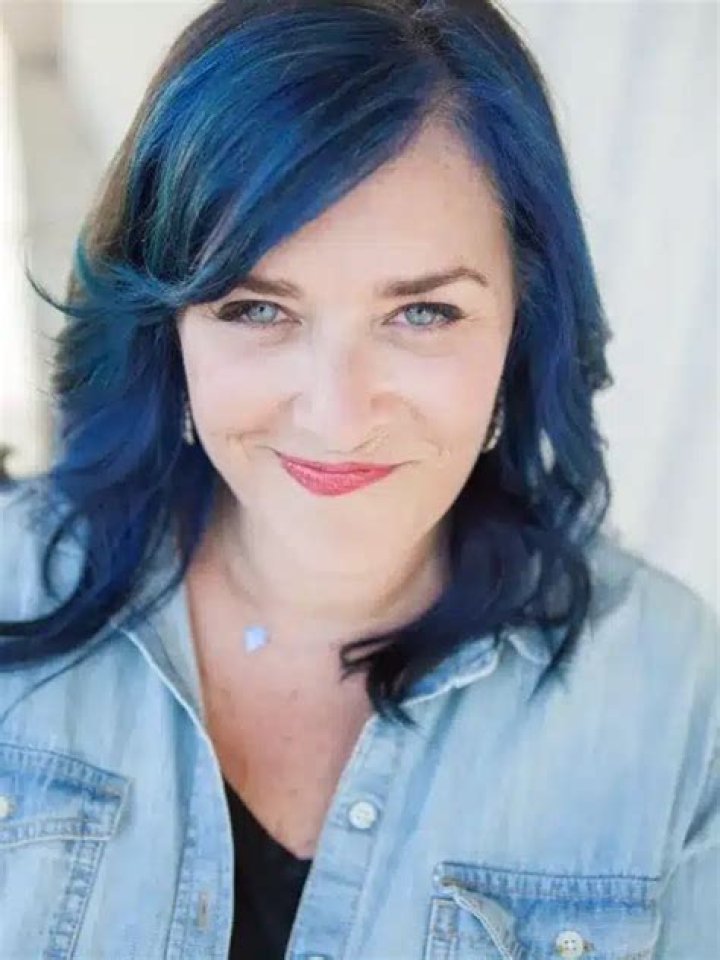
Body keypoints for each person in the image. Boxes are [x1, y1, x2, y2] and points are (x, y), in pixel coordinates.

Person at [1, 1, 717, 958]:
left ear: (522, 324)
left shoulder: (674, 690)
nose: (336, 417)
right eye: (256, 308)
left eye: (422, 313)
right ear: (168, 326)